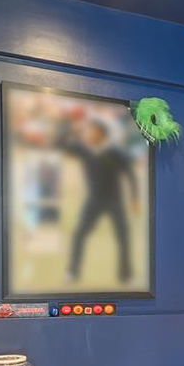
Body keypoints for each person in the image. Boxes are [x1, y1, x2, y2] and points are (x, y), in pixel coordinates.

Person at [56, 114, 140, 284]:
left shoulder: (115, 153)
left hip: (114, 201)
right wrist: (71, 128)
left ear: (101, 133)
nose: (88, 134)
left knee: (123, 235)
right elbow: (60, 143)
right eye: (88, 131)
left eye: (92, 131)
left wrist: (134, 198)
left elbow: (130, 174)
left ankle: (126, 274)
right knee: (79, 234)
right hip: (94, 201)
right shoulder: (84, 150)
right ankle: (72, 272)